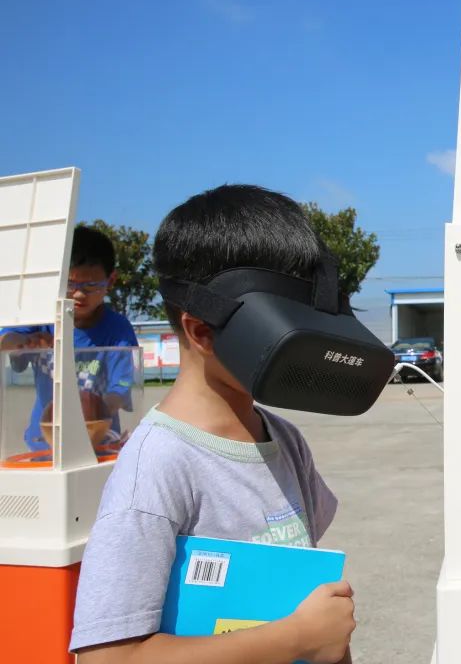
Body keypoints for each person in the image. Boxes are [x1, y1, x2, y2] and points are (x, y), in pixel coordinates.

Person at [70, 185, 355, 664]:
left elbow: (307, 594)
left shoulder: (284, 439)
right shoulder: (156, 466)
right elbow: (106, 658)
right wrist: (297, 638)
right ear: (201, 331)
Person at [0, 225, 138, 451]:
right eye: (69, 285)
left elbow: (120, 390)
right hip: (45, 442)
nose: (79, 294)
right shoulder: (42, 318)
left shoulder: (118, 330)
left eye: (91, 286)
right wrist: (27, 342)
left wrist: (92, 413)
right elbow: (5, 340)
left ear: (111, 281)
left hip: (99, 441)